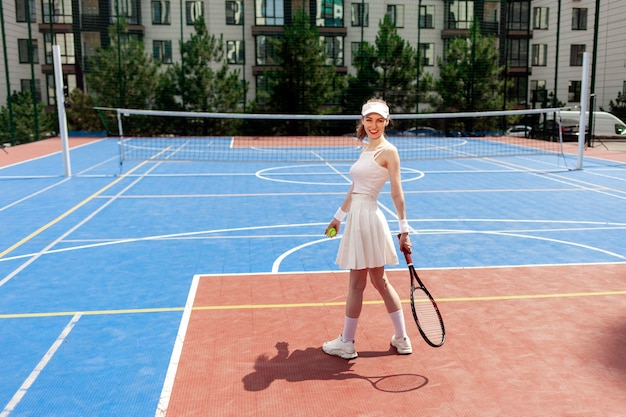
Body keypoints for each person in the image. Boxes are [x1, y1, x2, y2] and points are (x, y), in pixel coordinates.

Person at [322, 98, 413, 360]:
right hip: (360, 218)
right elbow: (355, 189)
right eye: (369, 120)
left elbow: (397, 193)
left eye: (379, 120)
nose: (374, 125)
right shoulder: (366, 149)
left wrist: (404, 230)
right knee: (378, 281)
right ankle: (402, 339)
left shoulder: (388, 151)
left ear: (386, 122)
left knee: (357, 285)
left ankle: (347, 343)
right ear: (363, 121)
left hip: (368, 219)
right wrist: (338, 217)